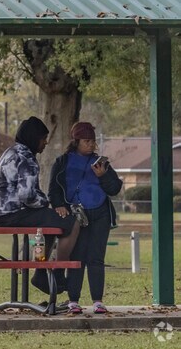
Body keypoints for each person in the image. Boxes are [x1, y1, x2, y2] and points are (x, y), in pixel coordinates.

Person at [0, 116, 80, 294]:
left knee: (48, 222)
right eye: (43, 139)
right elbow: (27, 196)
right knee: (70, 222)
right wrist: (47, 203)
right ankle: (57, 273)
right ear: (34, 137)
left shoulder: (10, 151)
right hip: (12, 211)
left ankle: (41, 270)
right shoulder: (27, 157)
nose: (45, 143)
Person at [48, 121, 122, 314]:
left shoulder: (101, 163)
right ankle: (73, 300)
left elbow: (115, 188)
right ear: (76, 141)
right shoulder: (62, 162)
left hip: (100, 214)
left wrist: (103, 175)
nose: (91, 145)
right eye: (87, 141)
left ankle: (98, 301)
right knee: (77, 257)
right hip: (76, 216)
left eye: (93, 141)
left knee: (96, 258)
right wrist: (59, 205)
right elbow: (53, 190)